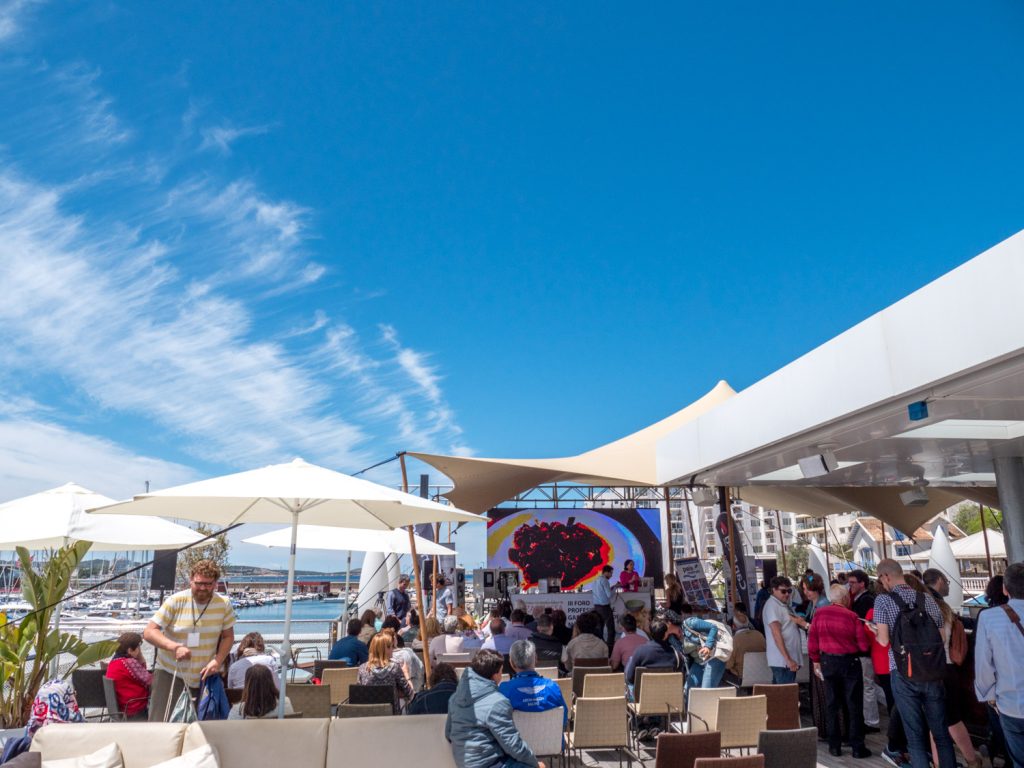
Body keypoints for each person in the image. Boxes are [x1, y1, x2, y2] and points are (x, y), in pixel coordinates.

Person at [866, 558, 955, 768]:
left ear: (886, 576)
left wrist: (875, 631)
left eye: (881, 579)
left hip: (902, 671)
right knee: (941, 734)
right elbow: (941, 637)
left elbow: (884, 641)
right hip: (932, 671)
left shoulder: (883, 601)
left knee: (914, 737)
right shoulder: (926, 598)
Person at [143, 559, 236, 722]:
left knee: (200, 726)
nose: (202, 588)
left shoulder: (223, 604)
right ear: (191, 580)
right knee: (161, 723)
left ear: (215, 583)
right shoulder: (176, 601)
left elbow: (228, 636)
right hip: (171, 672)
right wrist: (174, 647)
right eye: (198, 583)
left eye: (208, 584)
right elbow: (149, 632)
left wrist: (217, 661)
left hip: (204, 676)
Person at [445, 649, 545, 768]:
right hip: (492, 763)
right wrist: (535, 764)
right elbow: (513, 746)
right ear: (495, 675)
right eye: (501, 672)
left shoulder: (454, 698)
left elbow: (448, 733)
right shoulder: (496, 702)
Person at [922, 572, 982, 768]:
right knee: (951, 718)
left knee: (941, 720)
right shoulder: (942, 608)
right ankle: (972, 759)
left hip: (932, 671)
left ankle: (950, 761)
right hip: (947, 668)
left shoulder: (924, 609)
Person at [808, 584, 871, 758]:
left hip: (828, 661)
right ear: (845, 599)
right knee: (854, 705)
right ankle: (857, 747)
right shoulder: (852, 616)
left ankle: (834, 746)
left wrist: (815, 661)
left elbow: (812, 640)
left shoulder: (819, 614)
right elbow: (863, 645)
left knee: (832, 704)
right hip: (849, 662)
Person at [975, 561, 1024, 768]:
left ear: (1005, 589)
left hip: (1011, 702)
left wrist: (990, 698)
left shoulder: (989, 617)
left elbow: (984, 665)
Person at [499, 640, 567, 725]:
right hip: (550, 737)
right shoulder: (553, 687)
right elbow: (563, 720)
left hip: (518, 738)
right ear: (536, 659)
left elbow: (500, 723)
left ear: (511, 662)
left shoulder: (504, 690)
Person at [848, 569, 883, 732]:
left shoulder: (866, 601)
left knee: (867, 685)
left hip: (865, 649)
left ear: (862, 583)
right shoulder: (857, 599)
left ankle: (871, 721)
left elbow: (864, 625)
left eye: (853, 582)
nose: (850, 585)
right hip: (862, 649)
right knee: (869, 684)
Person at [358, 631, 414, 713]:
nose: (393, 649)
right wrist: (406, 674)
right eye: (391, 647)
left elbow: (360, 695)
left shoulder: (363, 668)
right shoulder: (394, 668)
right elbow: (409, 693)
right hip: (391, 717)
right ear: (386, 649)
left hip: (369, 716)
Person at [676, 610, 731, 692]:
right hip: (699, 661)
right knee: (687, 690)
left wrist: (708, 646)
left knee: (706, 691)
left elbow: (713, 627)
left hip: (714, 657)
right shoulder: (672, 638)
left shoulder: (689, 623)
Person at [763, 575, 802, 683]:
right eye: (783, 591)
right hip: (783, 662)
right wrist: (788, 659)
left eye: (789, 591)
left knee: (780, 696)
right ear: (774, 590)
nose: (787, 594)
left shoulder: (782, 604)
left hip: (786, 660)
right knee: (786, 696)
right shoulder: (772, 605)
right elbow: (776, 634)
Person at [104, 632, 152, 720]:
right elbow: (149, 680)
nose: (139, 650)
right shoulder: (130, 662)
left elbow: (140, 673)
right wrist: (140, 657)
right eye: (138, 648)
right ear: (130, 650)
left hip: (123, 706)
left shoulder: (114, 661)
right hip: (135, 707)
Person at [624, 619, 683, 687]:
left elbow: (630, 678)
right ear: (666, 634)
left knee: (631, 659)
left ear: (651, 633)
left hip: (643, 695)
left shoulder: (640, 651)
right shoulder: (675, 654)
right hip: (667, 694)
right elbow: (680, 678)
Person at [228, 664, 294, 719]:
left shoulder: (238, 710)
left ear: (248, 684)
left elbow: (230, 731)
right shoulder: (285, 703)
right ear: (271, 682)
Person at [724, 608, 766, 683]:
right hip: (762, 673)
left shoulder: (734, 640)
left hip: (742, 676)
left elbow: (728, 665)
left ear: (733, 626)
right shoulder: (760, 635)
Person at [383, 626, 424, 692]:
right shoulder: (407, 652)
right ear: (394, 639)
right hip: (411, 689)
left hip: (389, 692)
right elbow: (420, 668)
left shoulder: (380, 657)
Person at [590, 565, 616, 646]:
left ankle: (599, 645)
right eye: (611, 573)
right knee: (611, 628)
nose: (611, 575)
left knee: (599, 628)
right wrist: (615, 588)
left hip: (597, 607)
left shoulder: (595, 580)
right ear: (606, 572)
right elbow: (609, 595)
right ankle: (610, 646)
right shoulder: (605, 580)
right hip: (604, 607)